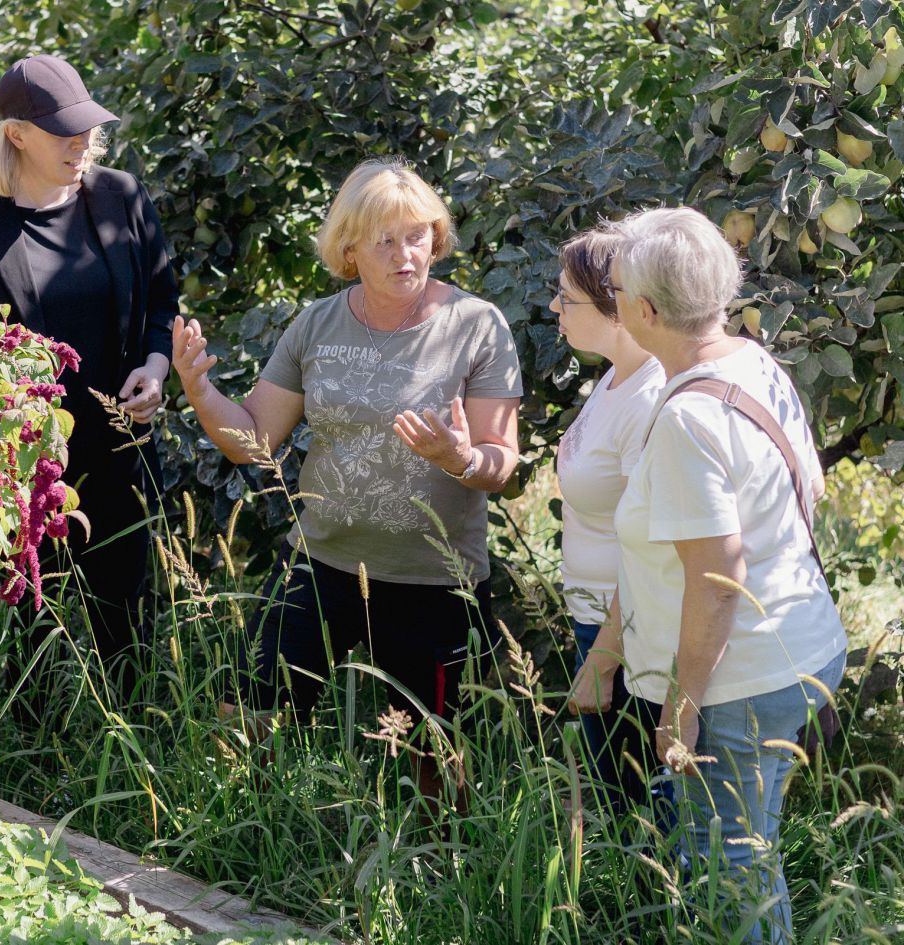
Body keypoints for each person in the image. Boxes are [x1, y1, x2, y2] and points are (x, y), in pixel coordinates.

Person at [172, 158, 523, 761]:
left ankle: (433, 857)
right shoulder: (319, 323)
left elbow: (503, 460)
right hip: (320, 559)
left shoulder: (476, 326)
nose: (404, 254)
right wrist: (200, 391)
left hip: (431, 579)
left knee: (429, 761)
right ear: (350, 246)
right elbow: (253, 438)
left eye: (417, 236)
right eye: (385, 240)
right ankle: (248, 837)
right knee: (243, 721)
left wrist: (461, 458)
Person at [570, 206, 847, 943]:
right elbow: (805, 493)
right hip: (799, 643)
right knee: (746, 856)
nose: (616, 301)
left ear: (649, 309)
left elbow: (719, 575)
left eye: (621, 289)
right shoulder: (751, 361)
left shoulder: (687, 418)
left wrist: (680, 705)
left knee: (730, 873)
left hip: (739, 681)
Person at [0, 54, 177, 679]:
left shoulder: (121, 198)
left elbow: (162, 302)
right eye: (65, 133)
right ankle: (25, 770)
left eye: (87, 129)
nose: (82, 143)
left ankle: (137, 759)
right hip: (19, 466)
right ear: (17, 135)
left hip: (120, 447)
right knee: (27, 639)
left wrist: (156, 368)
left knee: (129, 637)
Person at [550, 227, 668, 817]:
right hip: (595, 619)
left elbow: (649, 545)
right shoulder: (614, 379)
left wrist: (603, 659)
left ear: (615, 305)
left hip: (624, 636)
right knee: (614, 800)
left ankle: (656, 910)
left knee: (636, 806)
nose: (554, 307)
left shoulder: (648, 398)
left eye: (566, 297)